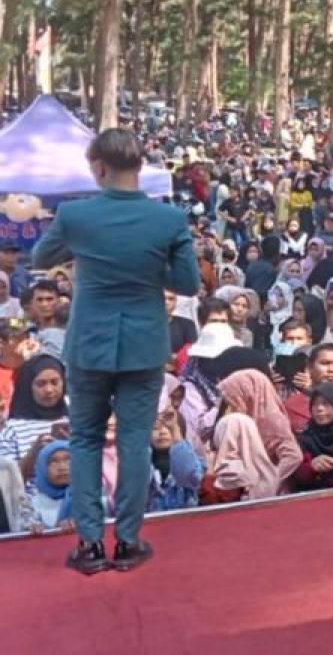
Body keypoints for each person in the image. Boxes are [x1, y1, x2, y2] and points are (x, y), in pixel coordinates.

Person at [33, 128, 201, 574]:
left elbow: (38, 257)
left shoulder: (75, 216)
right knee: (134, 442)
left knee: (85, 438)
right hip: (145, 345)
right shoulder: (168, 221)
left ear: (100, 168)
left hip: (89, 343)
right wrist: (147, 263)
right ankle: (127, 541)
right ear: (139, 167)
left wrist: (88, 250)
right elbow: (187, 283)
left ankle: (89, 545)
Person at [0, 353, 68, 461]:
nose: (49, 390)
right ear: (28, 386)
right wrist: (33, 454)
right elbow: (7, 475)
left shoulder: (75, 421)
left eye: (55, 382)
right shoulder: (13, 430)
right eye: (41, 384)